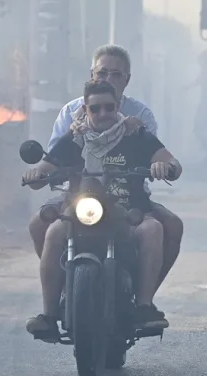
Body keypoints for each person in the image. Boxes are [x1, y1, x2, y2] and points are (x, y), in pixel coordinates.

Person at [22, 80, 183, 339]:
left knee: (153, 229)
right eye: (95, 108)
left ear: (118, 106)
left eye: (109, 107)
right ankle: (49, 314)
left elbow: (171, 162)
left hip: (129, 210)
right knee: (53, 232)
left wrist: (165, 167)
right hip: (80, 210)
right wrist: (35, 174)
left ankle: (144, 306)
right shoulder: (74, 139)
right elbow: (45, 168)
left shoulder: (137, 136)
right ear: (85, 110)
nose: (103, 113)